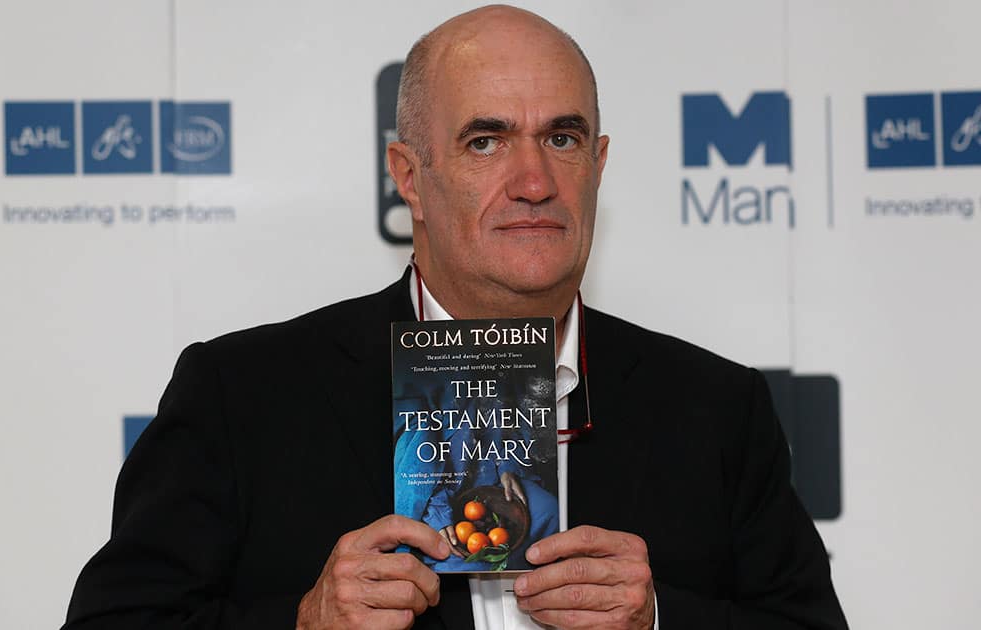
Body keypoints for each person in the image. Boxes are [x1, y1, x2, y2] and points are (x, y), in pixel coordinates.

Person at [65, 5, 847, 629]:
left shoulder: (715, 407)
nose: (535, 180)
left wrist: (658, 620)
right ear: (409, 174)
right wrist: (304, 625)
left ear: (598, 164)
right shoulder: (243, 395)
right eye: (486, 141)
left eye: (562, 138)